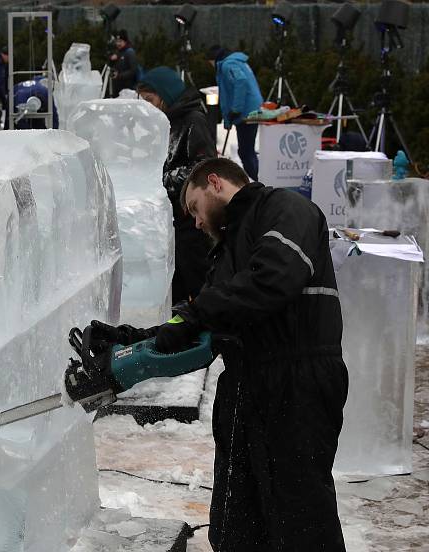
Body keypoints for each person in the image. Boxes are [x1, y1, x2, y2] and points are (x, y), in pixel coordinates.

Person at [89, 157, 348, 551]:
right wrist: (136, 340)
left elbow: (274, 278)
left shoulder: (286, 209)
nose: (195, 222)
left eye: (194, 208)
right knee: (235, 522)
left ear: (215, 183)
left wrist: (195, 315)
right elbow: (204, 322)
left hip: (297, 381)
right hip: (246, 385)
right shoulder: (227, 251)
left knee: (300, 518)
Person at [137, 67, 216, 302]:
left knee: (197, 280)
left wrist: (162, 178)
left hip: (189, 220)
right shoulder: (160, 121)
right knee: (175, 287)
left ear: (165, 96)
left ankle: (208, 328)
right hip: (168, 218)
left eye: (150, 100)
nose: (147, 106)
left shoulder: (193, 121)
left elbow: (204, 165)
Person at [207, 45, 263, 181]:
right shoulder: (236, 62)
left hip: (246, 112)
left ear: (214, 59)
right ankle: (254, 180)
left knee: (245, 151)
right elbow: (229, 93)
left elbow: (241, 82)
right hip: (250, 109)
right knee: (247, 150)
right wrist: (228, 119)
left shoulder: (227, 65)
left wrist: (236, 109)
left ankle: (255, 182)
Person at [109, 30, 138, 97]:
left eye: (120, 41)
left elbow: (133, 70)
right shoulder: (118, 52)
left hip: (127, 89)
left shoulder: (130, 52)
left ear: (125, 41)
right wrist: (111, 60)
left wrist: (119, 76)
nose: (118, 44)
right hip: (117, 89)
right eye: (117, 41)